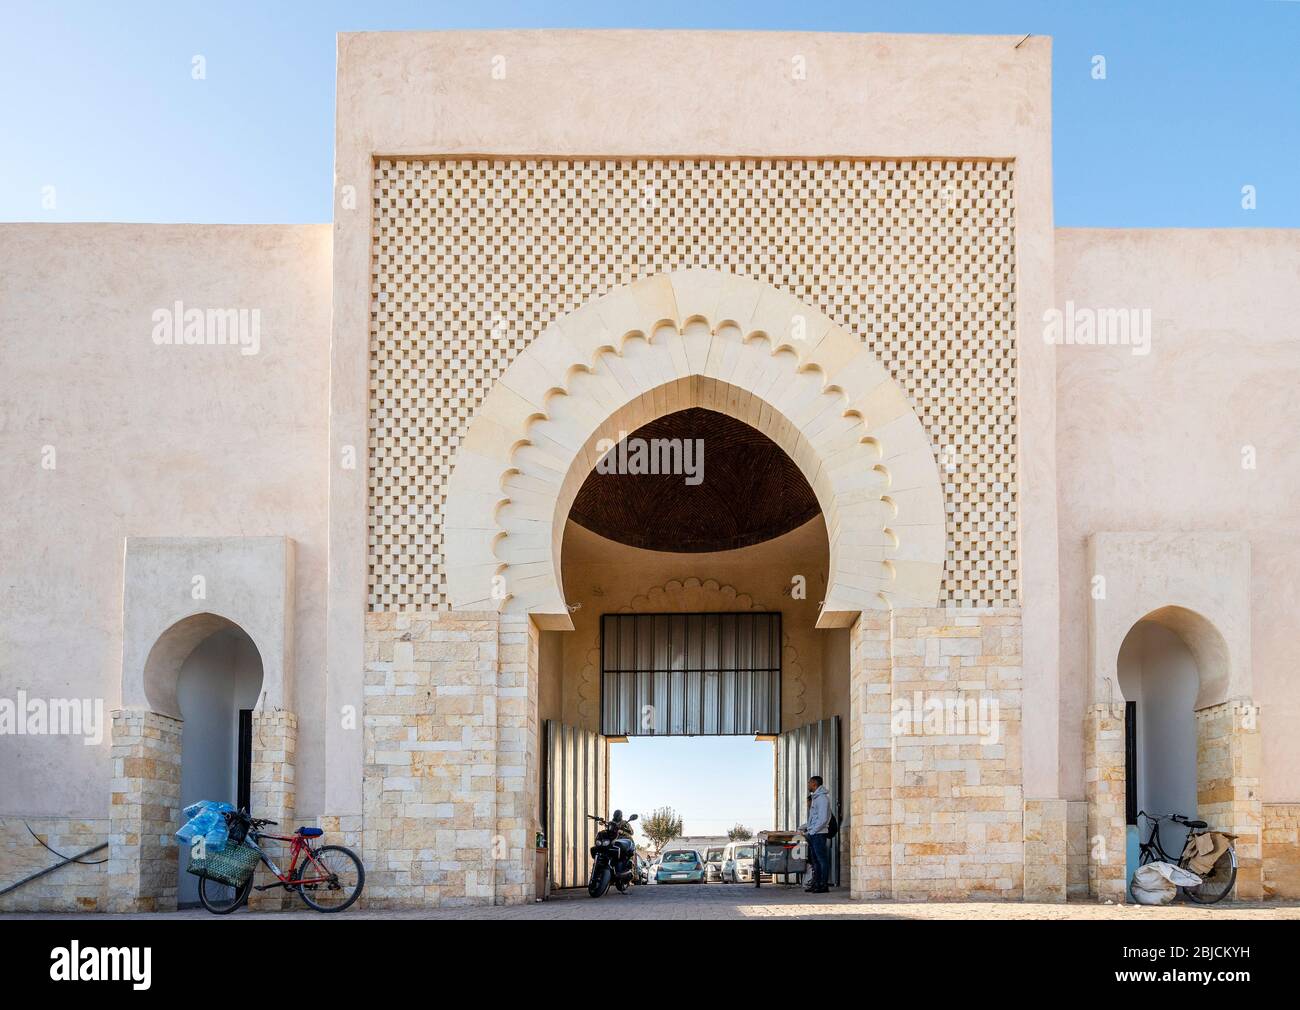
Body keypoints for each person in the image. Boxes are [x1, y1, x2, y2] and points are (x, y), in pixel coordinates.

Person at [798, 775, 831, 893]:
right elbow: (813, 819)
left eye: (809, 783)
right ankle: (816, 883)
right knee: (815, 861)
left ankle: (823, 884)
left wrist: (812, 831)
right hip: (813, 834)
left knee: (821, 860)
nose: (807, 785)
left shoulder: (822, 799)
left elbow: (822, 819)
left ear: (814, 784)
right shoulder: (815, 798)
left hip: (818, 834)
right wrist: (803, 828)